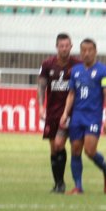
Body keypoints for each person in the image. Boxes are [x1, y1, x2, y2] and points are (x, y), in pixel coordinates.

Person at [60, 38, 106, 195]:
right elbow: (71, 94)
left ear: (95, 51)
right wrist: (65, 114)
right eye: (83, 50)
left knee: (90, 151)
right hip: (77, 116)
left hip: (93, 117)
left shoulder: (104, 71)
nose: (87, 53)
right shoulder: (75, 71)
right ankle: (78, 187)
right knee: (75, 150)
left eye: (90, 50)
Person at [37, 33, 80, 193]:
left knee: (59, 144)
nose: (64, 49)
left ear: (71, 46)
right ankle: (58, 184)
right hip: (51, 112)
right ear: (57, 47)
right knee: (53, 149)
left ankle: (62, 184)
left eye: (66, 46)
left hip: (69, 112)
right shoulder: (47, 64)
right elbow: (41, 85)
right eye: (61, 46)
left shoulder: (77, 64)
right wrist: (41, 106)